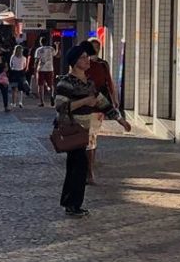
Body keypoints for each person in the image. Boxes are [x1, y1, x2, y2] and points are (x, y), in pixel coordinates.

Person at [55, 44, 130, 218]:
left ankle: (70, 203)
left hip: (85, 130)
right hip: (73, 130)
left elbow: (101, 102)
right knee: (79, 166)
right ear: (74, 62)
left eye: (87, 57)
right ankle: (73, 204)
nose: (87, 59)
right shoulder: (66, 81)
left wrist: (120, 120)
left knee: (75, 166)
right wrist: (83, 102)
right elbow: (60, 106)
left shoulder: (88, 82)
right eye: (82, 57)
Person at [81, 38, 130, 183]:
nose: (96, 50)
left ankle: (89, 170)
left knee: (92, 137)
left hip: (97, 107)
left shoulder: (102, 64)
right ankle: (87, 170)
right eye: (93, 47)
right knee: (88, 139)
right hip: (82, 108)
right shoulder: (81, 64)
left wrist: (114, 101)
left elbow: (109, 83)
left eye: (98, 47)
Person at [34, 36, 56, 107]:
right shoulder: (51, 49)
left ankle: (42, 102)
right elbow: (57, 55)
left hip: (41, 69)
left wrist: (35, 68)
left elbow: (36, 60)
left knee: (41, 85)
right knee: (50, 84)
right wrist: (57, 47)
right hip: (50, 69)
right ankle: (52, 95)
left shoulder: (39, 50)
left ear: (41, 42)